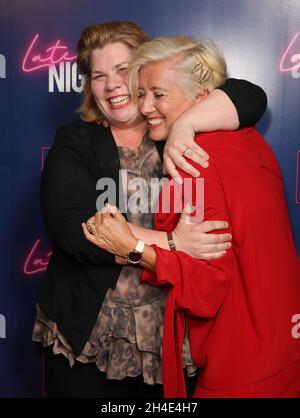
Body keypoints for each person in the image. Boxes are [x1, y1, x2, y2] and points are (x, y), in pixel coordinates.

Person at [33, 21, 267, 398]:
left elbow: (251, 95)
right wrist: (173, 242)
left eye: (123, 71)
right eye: (98, 76)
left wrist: (185, 125)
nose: (111, 85)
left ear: (145, 70)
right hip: (89, 332)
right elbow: (76, 229)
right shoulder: (74, 140)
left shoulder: (177, 129)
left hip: (170, 333)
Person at [83, 36, 300, 398]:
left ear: (202, 98)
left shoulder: (191, 159)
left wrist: (135, 247)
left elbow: (206, 285)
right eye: (142, 93)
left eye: (158, 94)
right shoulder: (246, 138)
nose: (145, 106)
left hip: (242, 362)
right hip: (283, 340)